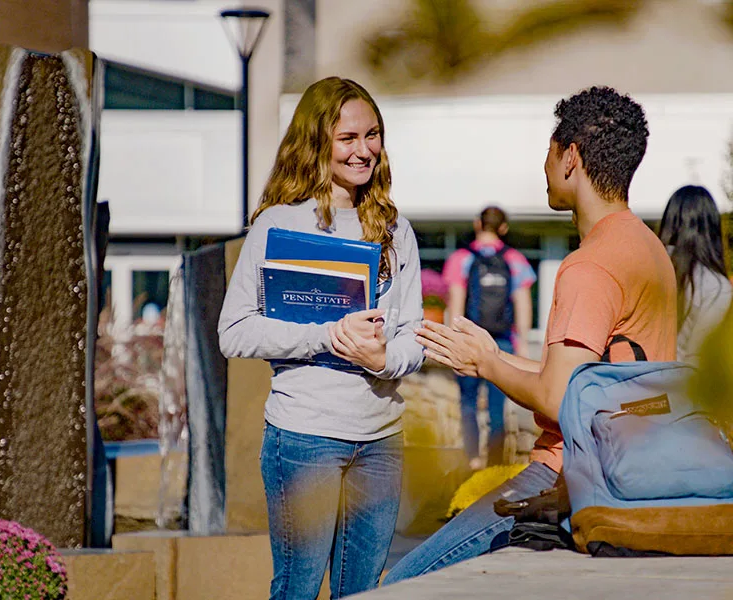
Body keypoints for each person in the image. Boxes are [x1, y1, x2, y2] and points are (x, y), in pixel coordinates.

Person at [383, 85, 677, 585]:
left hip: (568, 473)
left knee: (402, 581)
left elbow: (558, 396)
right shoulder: (648, 247)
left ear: (570, 157)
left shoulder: (590, 265)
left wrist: (488, 364)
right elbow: (591, 381)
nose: (543, 165)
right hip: (630, 467)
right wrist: (489, 353)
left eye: (548, 149)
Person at [217, 77, 424, 600]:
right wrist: (327, 335)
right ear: (317, 142)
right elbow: (234, 331)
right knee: (297, 590)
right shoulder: (279, 224)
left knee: (364, 592)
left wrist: (383, 357)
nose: (364, 151)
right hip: (305, 437)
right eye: (347, 138)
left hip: (382, 440)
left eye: (372, 135)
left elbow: (415, 336)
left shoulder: (397, 230)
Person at [441, 206, 536, 469]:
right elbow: (523, 303)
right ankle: (494, 464)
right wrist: (524, 344)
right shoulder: (515, 259)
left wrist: (454, 341)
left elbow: (456, 304)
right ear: (504, 228)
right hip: (501, 343)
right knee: (497, 409)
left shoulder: (461, 258)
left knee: (469, 404)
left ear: (477, 224)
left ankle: (472, 459)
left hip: (469, 341)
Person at [658, 184, 733, 365]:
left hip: (631, 380)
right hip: (677, 386)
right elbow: (699, 356)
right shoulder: (715, 285)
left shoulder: (647, 265)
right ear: (711, 228)